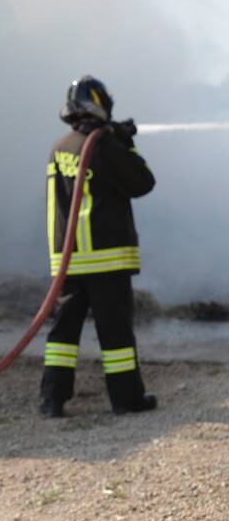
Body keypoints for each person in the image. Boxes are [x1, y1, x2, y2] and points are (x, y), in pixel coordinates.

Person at [40, 75, 157, 418]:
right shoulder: (105, 147)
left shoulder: (59, 147)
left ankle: (52, 400)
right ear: (100, 104)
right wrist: (126, 142)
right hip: (106, 259)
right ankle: (126, 399)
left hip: (68, 261)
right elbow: (143, 182)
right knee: (116, 335)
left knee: (62, 336)